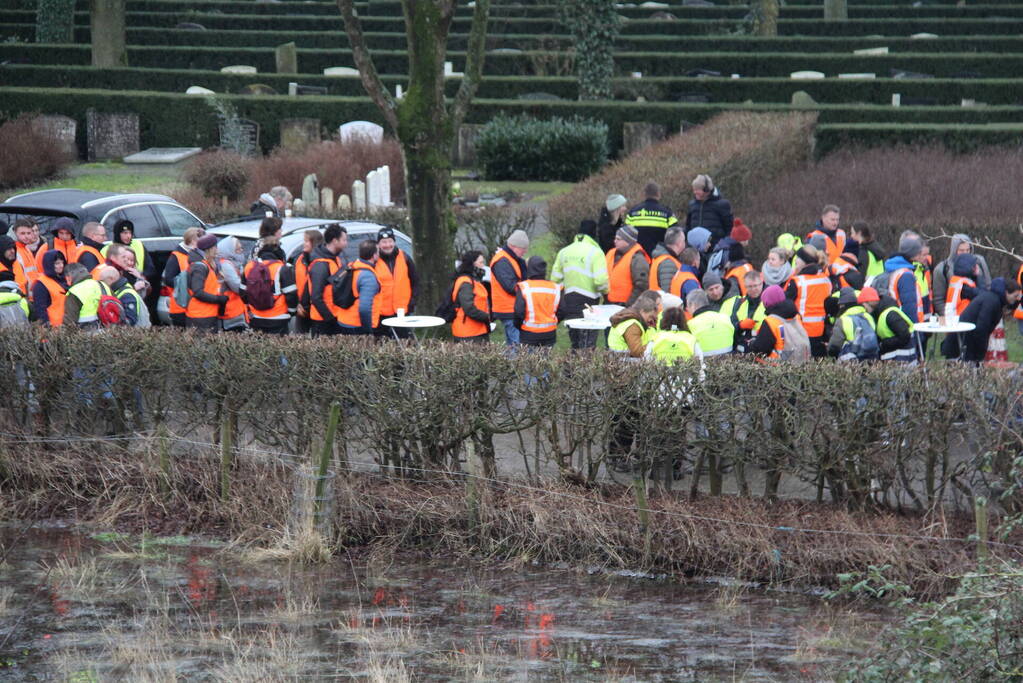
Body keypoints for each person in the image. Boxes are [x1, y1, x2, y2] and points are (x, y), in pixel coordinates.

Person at [550, 219, 608, 349]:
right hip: (589, 303)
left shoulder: (564, 251)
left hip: (569, 300)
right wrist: (606, 295)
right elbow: (601, 281)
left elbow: (555, 279)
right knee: (588, 343)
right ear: (594, 233)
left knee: (575, 342)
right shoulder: (596, 252)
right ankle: (584, 368)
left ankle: (571, 369)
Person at [955, 278, 1022, 364]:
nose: (1016, 299)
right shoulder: (992, 302)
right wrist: (980, 355)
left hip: (968, 340)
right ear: (1006, 292)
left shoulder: (995, 298)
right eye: (1015, 296)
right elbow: (981, 328)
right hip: (966, 342)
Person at [785, 244, 833, 357]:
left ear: (803, 261)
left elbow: (786, 305)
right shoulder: (825, 279)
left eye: (798, 258)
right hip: (822, 332)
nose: (795, 260)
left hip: (801, 332)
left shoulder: (797, 282)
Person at [244, 237, 297, 335]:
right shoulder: (282, 268)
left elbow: (243, 292)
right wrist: (291, 311)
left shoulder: (249, 266)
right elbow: (292, 294)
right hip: (278, 317)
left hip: (255, 317)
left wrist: (250, 306)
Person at [374, 226, 419, 340]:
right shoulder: (374, 260)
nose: (387, 245)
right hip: (380, 314)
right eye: (384, 242)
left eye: (390, 241)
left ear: (394, 242)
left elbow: (416, 282)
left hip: (402, 313)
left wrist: (411, 304)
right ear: (378, 244)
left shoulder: (404, 257)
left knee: (405, 344)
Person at [932, 233, 992, 319]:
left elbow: (988, 287)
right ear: (954, 250)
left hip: (980, 316)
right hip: (955, 319)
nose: (965, 253)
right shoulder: (942, 268)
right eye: (961, 250)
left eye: (968, 250)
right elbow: (938, 299)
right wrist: (949, 318)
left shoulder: (979, 262)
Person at [747, 284, 808, 361]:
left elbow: (760, 350)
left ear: (767, 303)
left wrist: (751, 344)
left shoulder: (771, 322)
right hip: (799, 360)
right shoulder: (797, 316)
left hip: (778, 366)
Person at [307, 223, 348, 337]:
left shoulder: (335, 259)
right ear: (335, 241)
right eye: (344, 240)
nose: (346, 243)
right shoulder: (321, 265)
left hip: (334, 317)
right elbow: (316, 297)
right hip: (324, 321)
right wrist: (330, 319)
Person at [490, 230, 530, 345]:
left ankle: (511, 362)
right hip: (509, 309)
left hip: (512, 308)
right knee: (517, 345)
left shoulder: (511, 258)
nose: (525, 251)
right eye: (523, 248)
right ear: (513, 246)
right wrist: (529, 290)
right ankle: (515, 363)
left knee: (513, 344)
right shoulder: (502, 260)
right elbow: (510, 286)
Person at [514, 256, 562, 349]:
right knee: (545, 360)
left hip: (529, 334)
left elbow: (519, 311)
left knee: (529, 361)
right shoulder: (555, 287)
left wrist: (520, 326)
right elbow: (562, 311)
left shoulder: (524, 286)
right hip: (549, 333)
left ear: (529, 269)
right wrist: (553, 322)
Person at [858, 287, 916, 363]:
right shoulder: (881, 313)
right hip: (897, 361)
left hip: (903, 361)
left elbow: (904, 336)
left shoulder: (890, 314)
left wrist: (883, 344)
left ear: (866, 303)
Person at [162, 226, 204, 328]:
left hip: (193, 307)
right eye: (200, 241)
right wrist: (187, 284)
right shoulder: (176, 256)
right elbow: (168, 280)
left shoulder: (197, 255)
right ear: (193, 241)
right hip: (180, 308)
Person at [337, 239, 381, 336]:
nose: (379, 254)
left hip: (343, 319)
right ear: (374, 255)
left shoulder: (352, 266)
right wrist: (368, 331)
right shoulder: (368, 276)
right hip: (357, 325)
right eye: (378, 251)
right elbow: (364, 308)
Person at [186, 234, 227, 333]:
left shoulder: (207, 265)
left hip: (207, 315)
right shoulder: (200, 267)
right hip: (201, 317)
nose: (217, 250)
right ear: (211, 249)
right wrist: (218, 299)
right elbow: (198, 292)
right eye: (215, 247)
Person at [881, 235, 926, 325]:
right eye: (920, 253)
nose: (923, 256)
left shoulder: (895, 269)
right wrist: (915, 331)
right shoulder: (906, 275)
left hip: (897, 323)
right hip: (907, 326)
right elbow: (909, 307)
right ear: (914, 255)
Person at [625, 182, 678, 256]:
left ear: (645, 194)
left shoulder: (633, 212)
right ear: (658, 194)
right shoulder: (667, 213)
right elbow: (676, 234)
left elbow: (626, 234)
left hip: (638, 256)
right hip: (660, 256)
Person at [826, 287, 878, 361]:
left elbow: (834, 347)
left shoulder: (843, 320)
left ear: (842, 305)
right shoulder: (868, 316)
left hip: (852, 362)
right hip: (871, 359)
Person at [451, 251, 491, 344]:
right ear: (472, 264)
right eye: (480, 262)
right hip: (469, 333)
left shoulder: (472, 280)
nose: (483, 266)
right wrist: (486, 317)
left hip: (475, 331)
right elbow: (469, 309)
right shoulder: (466, 282)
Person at [605, 225, 649, 308]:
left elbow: (641, 285)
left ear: (628, 241)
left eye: (618, 239)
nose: (615, 241)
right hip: (609, 303)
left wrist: (629, 305)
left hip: (625, 305)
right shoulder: (611, 253)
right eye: (615, 238)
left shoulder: (638, 258)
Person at [608, 289, 661, 358]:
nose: (651, 320)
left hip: (620, 360)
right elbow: (637, 352)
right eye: (650, 316)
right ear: (642, 311)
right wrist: (656, 344)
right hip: (625, 362)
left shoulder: (630, 320)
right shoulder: (632, 325)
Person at [685, 174, 733, 248]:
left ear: (707, 190)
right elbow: (688, 227)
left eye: (697, 189)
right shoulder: (692, 205)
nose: (695, 192)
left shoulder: (722, 205)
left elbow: (730, 228)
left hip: (716, 249)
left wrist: (723, 245)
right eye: (694, 189)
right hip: (695, 251)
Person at [63, 263, 116, 329]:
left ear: (69, 278)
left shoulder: (74, 292)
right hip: (110, 332)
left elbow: (70, 322)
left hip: (88, 335)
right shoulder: (103, 285)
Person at [685, 288, 733, 358]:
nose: (687, 310)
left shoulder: (690, 325)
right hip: (730, 361)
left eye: (688, 306)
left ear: (693, 305)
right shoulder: (725, 318)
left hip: (705, 364)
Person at [725, 270, 766, 352]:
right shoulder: (740, 303)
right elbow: (731, 326)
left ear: (762, 283)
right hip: (742, 352)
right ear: (745, 287)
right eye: (750, 287)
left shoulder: (768, 301)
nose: (753, 289)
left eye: (756, 285)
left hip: (763, 349)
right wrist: (740, 326)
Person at [294, 228, 324, 334]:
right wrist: (297, 303)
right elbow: (295, 283)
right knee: (300, 341)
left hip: (318, 308)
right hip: (302, 308)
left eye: (306, 241)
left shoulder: (322, 261)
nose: (304, 244)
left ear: (314, 242)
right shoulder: (300, 259)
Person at [216, 236, 248, 332]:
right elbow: (237, 287)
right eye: (237, 249)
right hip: (230, 313)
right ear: (229, 250)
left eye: (241, 248)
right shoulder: (225, 265)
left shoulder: (235, 264)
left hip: (236, 311)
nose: (241, 251)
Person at [31, 250, 68, 327]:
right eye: (57, 263)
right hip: (53, 330)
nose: (61, 265)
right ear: (49, 264)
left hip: (67, 327)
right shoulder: (40, 285)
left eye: (62, 262)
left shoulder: (66, 279)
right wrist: (47, 329)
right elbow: (40, 311)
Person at [648, 226, 685, 292]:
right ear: (679, 244)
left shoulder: (663, 257)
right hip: (664, 302)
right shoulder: (668, 263)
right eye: (684, 241)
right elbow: (668, 292)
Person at [11, 218, 44, 290]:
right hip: (24, 294)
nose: (26, 236)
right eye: (22, 233)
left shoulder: (27, 249)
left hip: (32, 293)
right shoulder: (15, 251)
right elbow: (19, 279)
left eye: (28, 233)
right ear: (15, 233)